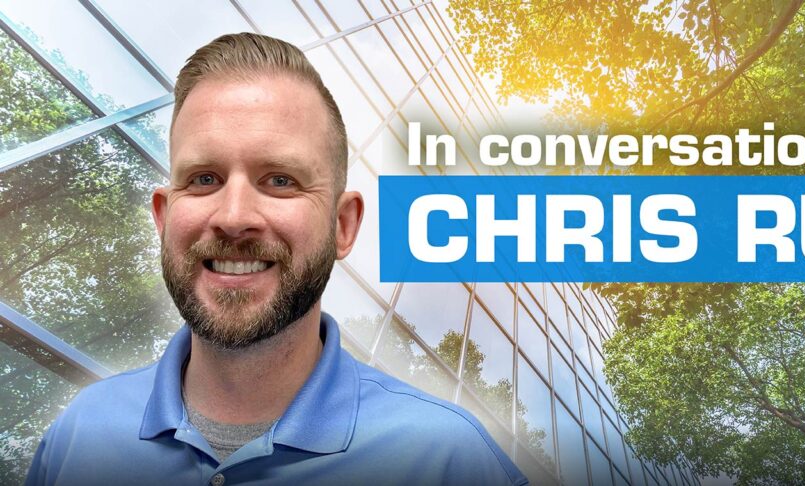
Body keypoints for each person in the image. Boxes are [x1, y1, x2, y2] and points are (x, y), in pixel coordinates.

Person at [25, 32, 527, 486]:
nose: (234, 215)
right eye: (204, 178)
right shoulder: (77, 436)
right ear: (163, 217)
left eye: (280, 181)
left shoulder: (448, 460)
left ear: (342, 226)